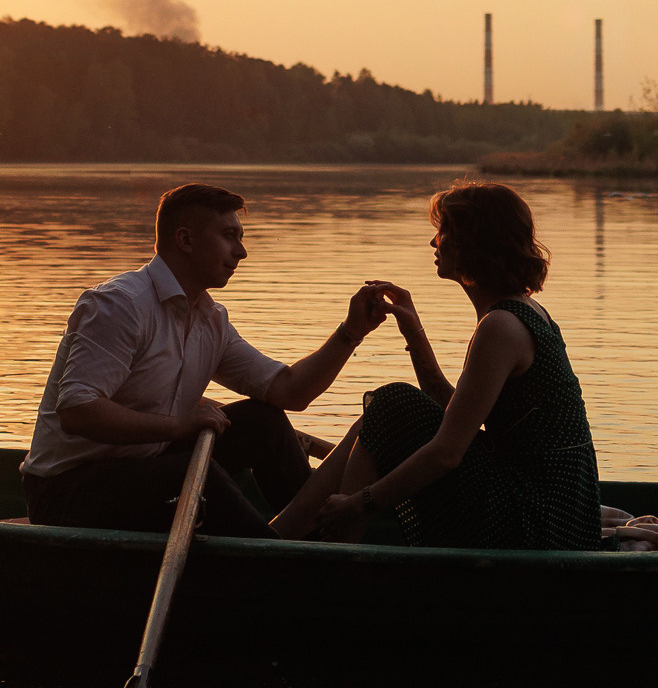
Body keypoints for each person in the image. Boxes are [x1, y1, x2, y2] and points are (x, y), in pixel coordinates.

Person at [20, 181, 391, 538]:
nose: (241, 252)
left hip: (146, 466)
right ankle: (275, 559)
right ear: (184, 240)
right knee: (187, 473)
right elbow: (77, 410)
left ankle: (316, 537)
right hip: (66, 491)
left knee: (264, 421)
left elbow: (289, 391)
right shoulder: (121, 305)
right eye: (229, 236)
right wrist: (177, 426)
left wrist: (351, 331)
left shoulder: (210, 320)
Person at [270, 182, 599, 549]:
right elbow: (454, 410)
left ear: (471, 241)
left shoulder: (502, 325)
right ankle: (278, 537)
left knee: (393, 403)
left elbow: (447, 452)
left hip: (543, 521)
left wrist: (359, 503)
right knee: (384, 411)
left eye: (442, 231)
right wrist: (413, 329)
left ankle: (332, 553)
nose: (433, 242)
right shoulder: (518, 313)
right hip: (549, 508)